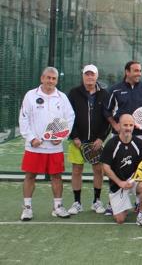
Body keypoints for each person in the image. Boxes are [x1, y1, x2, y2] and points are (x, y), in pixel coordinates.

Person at [19, 67, 76, 221]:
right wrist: (31, 138)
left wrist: (61, 136)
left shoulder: (62, 97)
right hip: (34, 146)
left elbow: (70, 117)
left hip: (54, 147)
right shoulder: (30, 96)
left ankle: (57, 207)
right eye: (48, 78)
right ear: (42, 78)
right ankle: (27, 208)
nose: (50, 81)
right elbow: (23, 119)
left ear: (56, 81)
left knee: (56, 176)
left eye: (54, 79)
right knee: (30, 176)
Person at [66, 64, 110, 215]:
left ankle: (96, 201)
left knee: (98, 170)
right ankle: (77, 202)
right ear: (83, 76)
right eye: (87, 74)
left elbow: (108, 119)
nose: (89, 77)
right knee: (77, 170)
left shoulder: (104, 94)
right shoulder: (73, 93)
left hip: (96, 142)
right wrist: (74, 136)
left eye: (92, 74)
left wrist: (101, 139)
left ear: (97, 76)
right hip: (78, 141)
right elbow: (68, 117)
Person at [100, 114, 142, 227]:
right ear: (119, 125)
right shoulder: (111, 144)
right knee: (120, 219)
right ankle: (122, 203)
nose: (128, 128)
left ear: (134, 126)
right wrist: (120, 183)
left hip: (134, 179)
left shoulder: (139, 143)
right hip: (118, 183)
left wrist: (135, 179)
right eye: (125, 125)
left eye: (131, 125)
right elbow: (105, 168)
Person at [104, 61, 142, 144]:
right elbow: (106, 110)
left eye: (140, 71)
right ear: (127, 72)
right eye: (136, 71)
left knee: (141, 157)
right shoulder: (115, 90)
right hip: (119, 134)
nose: (139, 74)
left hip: (139, 135)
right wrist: (115, 125)